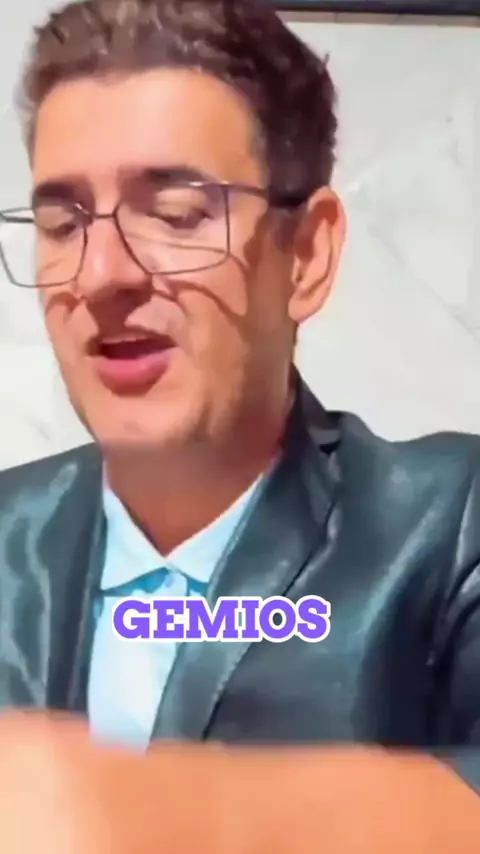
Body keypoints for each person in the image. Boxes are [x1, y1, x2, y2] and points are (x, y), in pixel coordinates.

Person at [0, 0, 478, 849]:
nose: (101, 275)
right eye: (62, 224)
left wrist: (129, 809)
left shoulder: (448, 529)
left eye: (177, 214)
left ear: (307, 255)